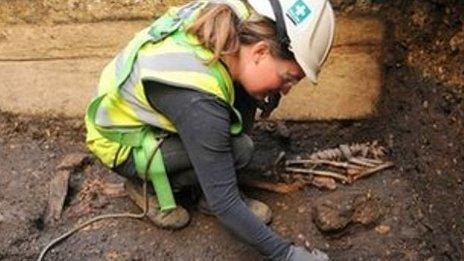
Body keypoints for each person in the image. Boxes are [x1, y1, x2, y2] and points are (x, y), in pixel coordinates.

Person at [85, 0, 335, 260]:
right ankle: (147, 185)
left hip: (148, 111)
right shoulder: (198, 97)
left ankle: (207, 177)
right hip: (121, 143)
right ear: (260, 52)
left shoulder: (237, 17)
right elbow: (225, 204)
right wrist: (287, 255)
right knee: (239, 150)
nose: (286, 90)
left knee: (246, 97)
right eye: (288, 79)